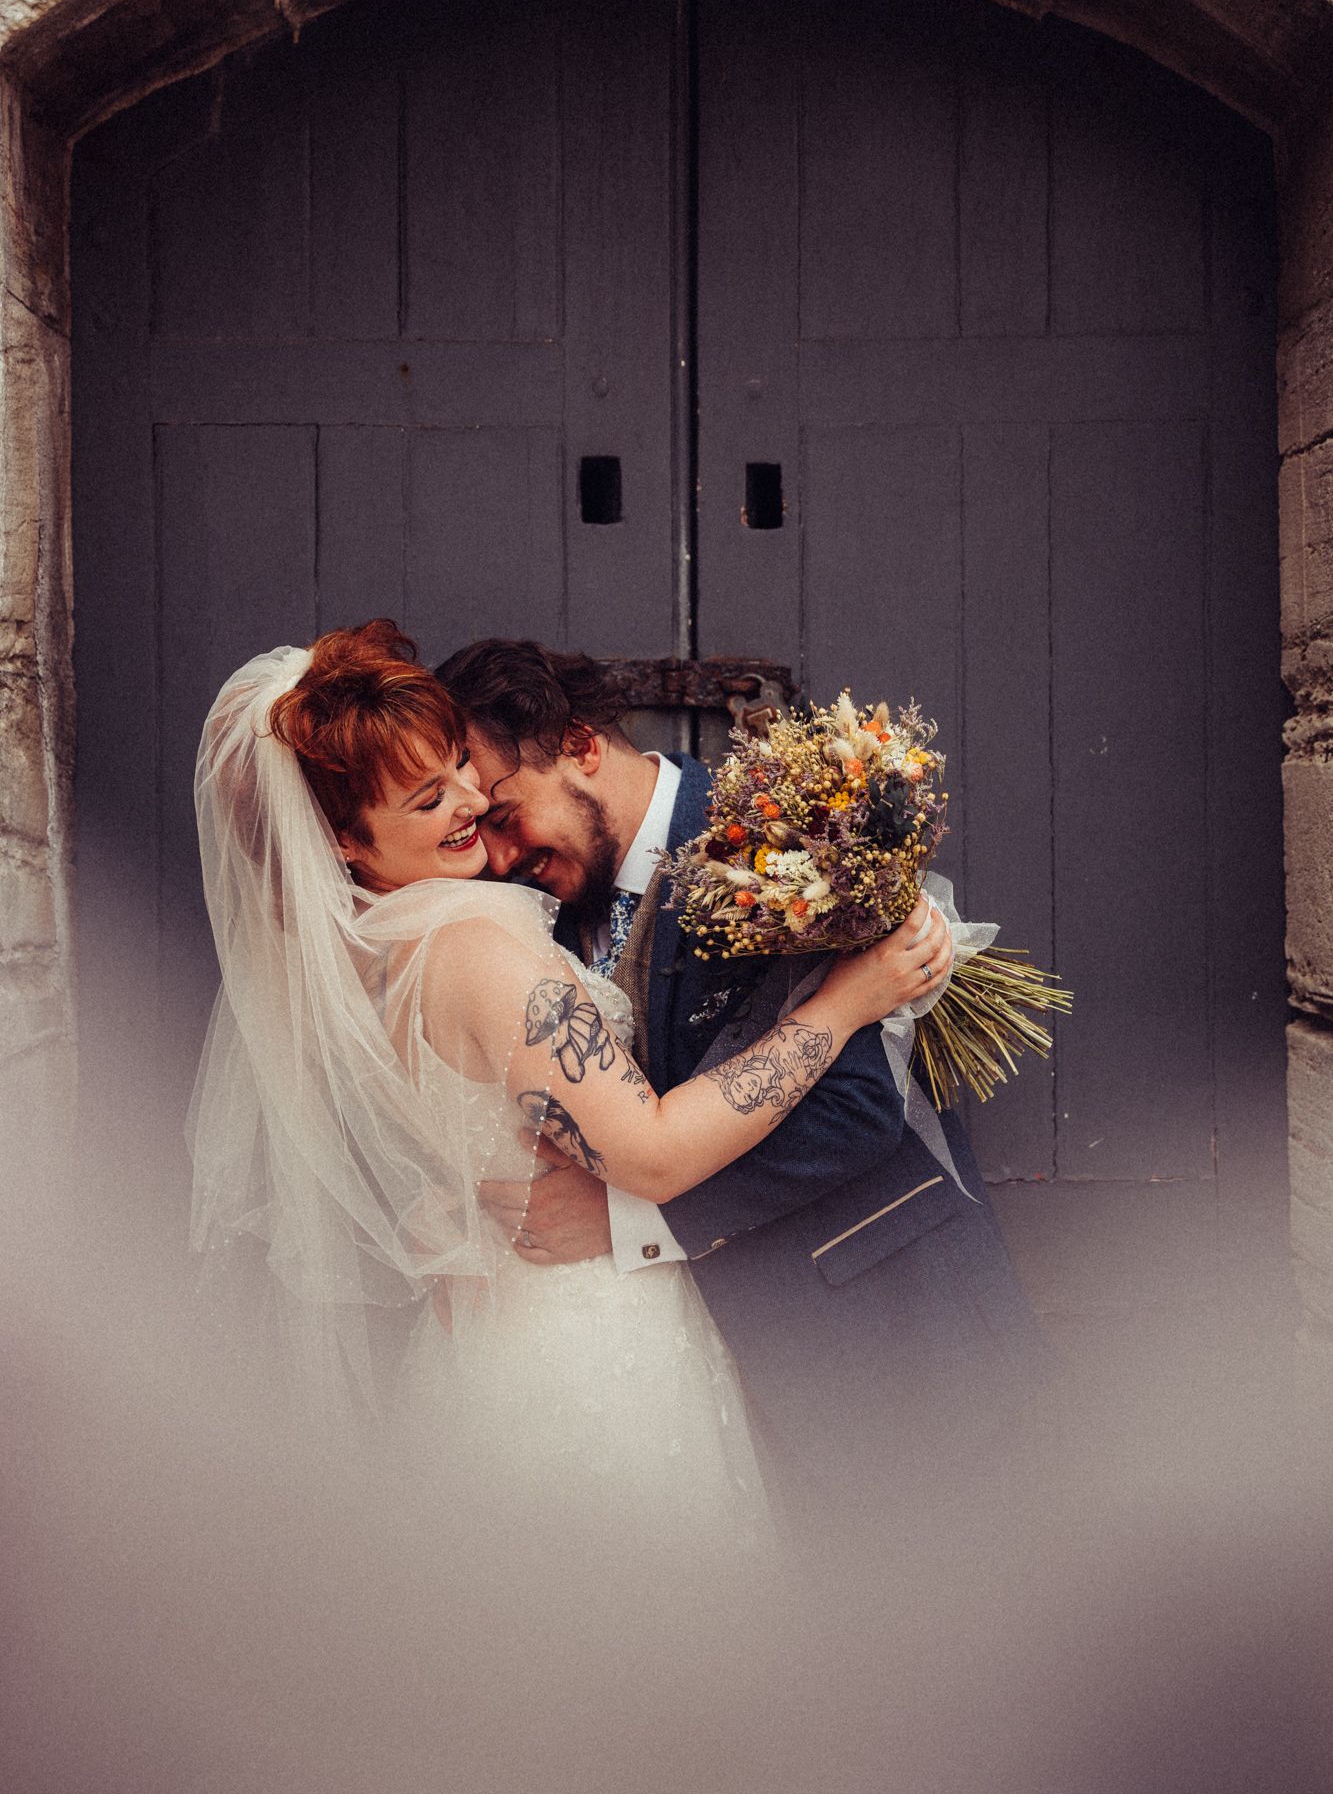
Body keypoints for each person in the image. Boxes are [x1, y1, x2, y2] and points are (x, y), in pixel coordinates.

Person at [187, 621, 951, 1555]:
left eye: (464, 769)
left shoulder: (375, 954)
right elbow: (654, 1152)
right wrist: (844, 1004)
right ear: (343, 843)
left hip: (504, 1336)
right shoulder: (472, 942)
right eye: (431, 798)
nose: (472, 802)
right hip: (585, 1349)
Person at [435, 638, 1052, 1526]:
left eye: (502, 814)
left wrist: (624, 1217)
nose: (494, 856)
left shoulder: (780, 838)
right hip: (716, 1389)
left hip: (891, 1347)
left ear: (576, 745)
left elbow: (854, 1109)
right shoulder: (530, 917)